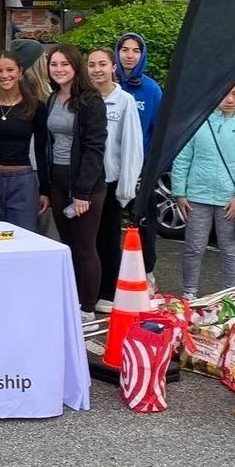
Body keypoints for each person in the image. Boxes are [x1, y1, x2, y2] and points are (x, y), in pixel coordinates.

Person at [172, 81, 235, 300]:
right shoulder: (198, 122)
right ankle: (189, 292)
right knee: (193, 248)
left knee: (231, 251)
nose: (230, 99)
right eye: (225, 94)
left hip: (229, 200)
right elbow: (182, 159)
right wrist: (180, 192)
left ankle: (230, 297)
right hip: (197, 197)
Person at [45, 45, 108, 321]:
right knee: (66, 244)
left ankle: (87, 308)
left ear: (75, 68)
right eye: (54, 64)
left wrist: (82, 191)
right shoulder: (52, 98)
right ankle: (71, 299)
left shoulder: (91, 101)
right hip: (57, 180)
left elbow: (95, 148)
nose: (58, 69)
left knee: (85, 247)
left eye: (64, 65)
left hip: (85, 183)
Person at [86, 47, 145, 312]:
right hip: (86, 182)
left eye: (102, 64)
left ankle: (108, 292)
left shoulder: (124, 101)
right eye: (91, 65)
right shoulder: (84, 98)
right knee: (87, 240)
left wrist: (126, 186)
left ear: (113, 67)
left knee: (108, 240)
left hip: (110, 181)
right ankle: (89, 288)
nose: (97, 69)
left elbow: (132, 145)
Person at [0, 52, 49, 232]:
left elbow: (41, 150)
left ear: (20, 72)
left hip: (22, 182)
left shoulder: (36, 107)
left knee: (23, 236)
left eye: (10, 70)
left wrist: (44, 190)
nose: (5, 75)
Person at [115, 32, 163, 286]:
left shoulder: (151, 89)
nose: (129, 55)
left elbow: (158, 130)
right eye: (125, 49)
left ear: (142, 55)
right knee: (109, 223)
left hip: (141, 167)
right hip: (110, 166)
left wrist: (150, 165)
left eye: (135, 50)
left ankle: (146, 271)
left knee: (144, 221)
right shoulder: (108, 85)